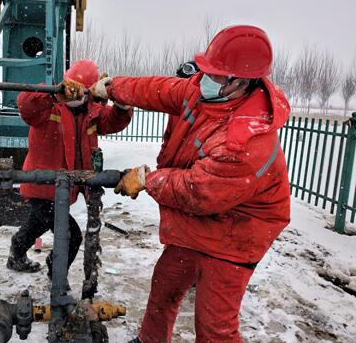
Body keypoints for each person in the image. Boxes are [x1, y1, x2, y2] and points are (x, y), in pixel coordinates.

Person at [89, 25, 292, 343]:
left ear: (242, 81)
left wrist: (146, 179)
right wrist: (113, 88)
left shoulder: (245, 141)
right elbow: (156, 90)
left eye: (215, 74)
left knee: (215, 326)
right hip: (203, 223)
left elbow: (197, 191)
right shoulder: (205, 92)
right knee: (165, 287)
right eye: (207, 70)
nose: (205, 78)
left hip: (238, 234)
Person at [7, 60, 133, 277]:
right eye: (73, 87)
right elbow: (25, 105)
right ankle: (55, 274)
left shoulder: (91, 112)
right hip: (42, 183)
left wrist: (121, 104)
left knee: (38, 223)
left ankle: (16, 253)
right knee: (70, 235)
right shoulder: (49, 106)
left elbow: (113, 121)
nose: (77, 95)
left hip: (66, 186)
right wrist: (54, 94)